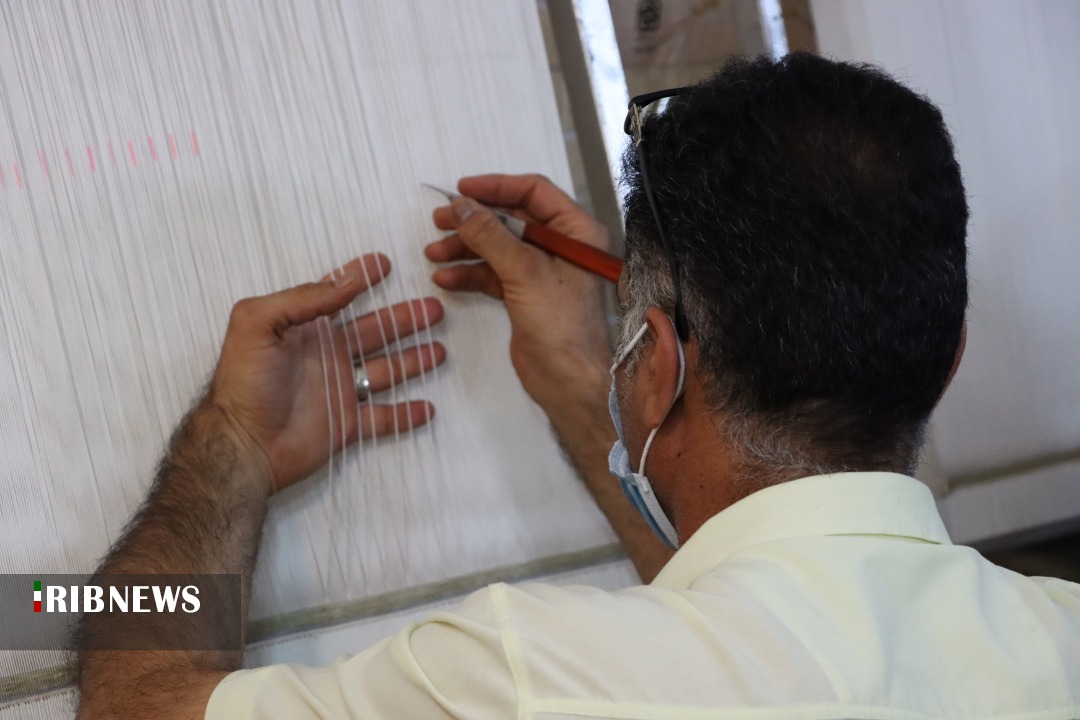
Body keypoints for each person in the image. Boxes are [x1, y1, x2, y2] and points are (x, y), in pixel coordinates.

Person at [75, 53, 1080, 719]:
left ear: (659, 360)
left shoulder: (518, 677)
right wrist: (586, 391)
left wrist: (229, 445)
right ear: (949, 355)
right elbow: (752, 640)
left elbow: (132, 704)